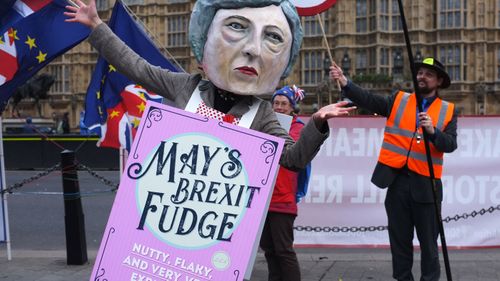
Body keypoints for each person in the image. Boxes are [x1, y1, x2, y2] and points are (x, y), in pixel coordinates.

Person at [64, 0, 355, 172]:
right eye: (236, 28)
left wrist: (316, 122)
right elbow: (135, 66)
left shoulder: (261, 114)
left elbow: (293, 159)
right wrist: (97, 26)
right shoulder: (184, 86)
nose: (252, 50)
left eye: (272, 38)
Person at [330, 58, 458, 281]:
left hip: (427, 186)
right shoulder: (399, 100)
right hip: (397, 182)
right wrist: (345, 82)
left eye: (428, 74)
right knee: (399, 242)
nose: (421, 76)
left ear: (438, 81)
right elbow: (370, 101)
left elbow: (450, 144)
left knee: (429, 245)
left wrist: (433, 131)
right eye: (419, 72)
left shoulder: (447, 110)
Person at [260, 85, 307, 281]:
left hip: (282, 198)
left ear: (292, 108)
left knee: (284, 251)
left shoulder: (297, 129)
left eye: (284, 104)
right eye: (276, 103)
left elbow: (290, 150)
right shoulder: (265, 123)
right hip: (263, 199)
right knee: (269, 251)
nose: (279, 107)